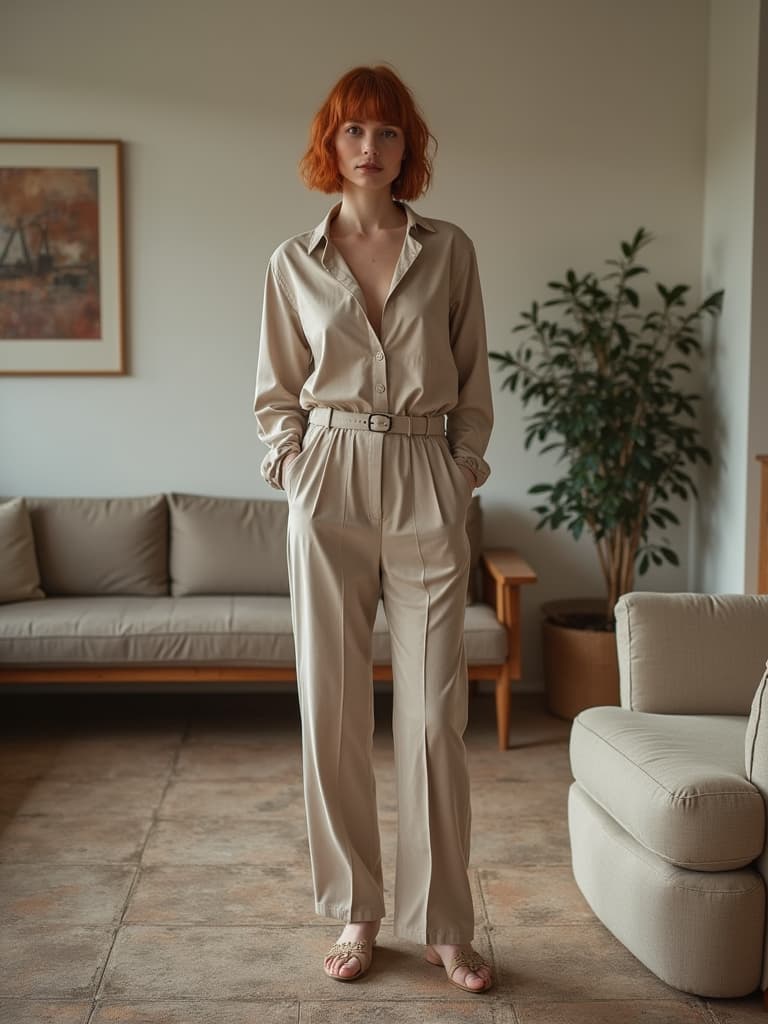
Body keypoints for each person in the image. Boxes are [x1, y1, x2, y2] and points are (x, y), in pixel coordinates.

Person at [253, 64, 494, 993]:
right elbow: (276, 390)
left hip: (427, 474)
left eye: (387, 132)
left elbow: (473, 376)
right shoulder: (292, 262)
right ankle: (357, 911)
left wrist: (462, 468)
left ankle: (444, 921)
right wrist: (292, 465)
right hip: (331, 476)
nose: (369, 147)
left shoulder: (451, 249)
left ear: (407, 149)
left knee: (435, 715)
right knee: (334, 708)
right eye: (354, 131)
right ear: (331, 143)